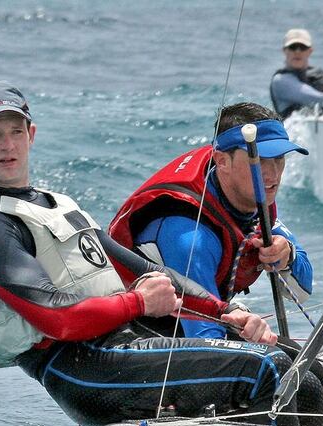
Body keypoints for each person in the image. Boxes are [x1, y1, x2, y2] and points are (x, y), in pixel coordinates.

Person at [0, 80, 309, 426]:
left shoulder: (57, 204)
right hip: (79, 368)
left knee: (302, 372)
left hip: (124, 343)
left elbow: (145, 270)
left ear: (31, 135)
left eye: (16, 132)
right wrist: (137, 304)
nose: (8, 145)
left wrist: (227, 311)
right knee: (266, 368)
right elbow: (59, 318)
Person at [109, 102, 312, 340]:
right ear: (223, 161)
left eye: (278, 158)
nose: (273, 174)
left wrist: (287, 256)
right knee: (279, 364)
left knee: (306, 369)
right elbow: (207, 338)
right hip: (140, 334)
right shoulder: (190, 236)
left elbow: (302, 291)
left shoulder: (249, 201)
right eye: (258, 160)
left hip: (203, 323)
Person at [269, 28, 323, 119]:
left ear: (310, 51)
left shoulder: (322, 75)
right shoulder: (280, 81)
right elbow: (316, 99)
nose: (297, 51)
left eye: (302, 47)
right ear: (284, 50)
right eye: (293, 47)